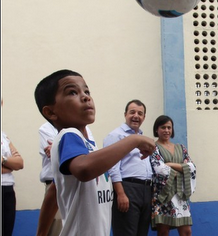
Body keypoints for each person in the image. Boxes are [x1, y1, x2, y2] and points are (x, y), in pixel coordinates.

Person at [34, 69, 155, 236]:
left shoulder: (88, 145)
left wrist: (40, 233)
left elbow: (55, 190)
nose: (86, 97)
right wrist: (134, 140)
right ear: (51, 112)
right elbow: (84, 170)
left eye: (87, 91)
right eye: (72, 92)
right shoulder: (69, 135)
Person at [103, 99, 153, 236]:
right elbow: (112, 167)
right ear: (125, 114)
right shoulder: (115, 135)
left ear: (144, 117)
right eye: (132, 112)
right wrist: (120, 193)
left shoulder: (142, 138)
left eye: (140, 113)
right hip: (127, 189)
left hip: (146, 191)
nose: (136, 116)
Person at [36, 122, 93, 236]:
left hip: (80, 186)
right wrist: (64, 148)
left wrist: (61, 146)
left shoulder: (85, 128)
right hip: (58, 185)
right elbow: (57, 154)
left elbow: (89, 154)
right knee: (58, 227)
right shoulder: (46, 128)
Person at [150, 115, 196, 236]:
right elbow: (159, 169)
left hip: (181, 195)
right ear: (156, 129)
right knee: (163, 231)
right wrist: (181, 169)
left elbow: (192, 168)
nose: (166, 130)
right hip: (163, 195)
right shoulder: (153, 148)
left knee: (186, 231)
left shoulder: (181, 148)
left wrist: (169, 164)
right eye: (163, 127)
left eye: (169, 127)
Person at [1, 98, 24, 236]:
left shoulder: (3, 135)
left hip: (7, 189)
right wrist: (9, 164)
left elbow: (20, 163)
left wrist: (3, 159)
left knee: (6, 231)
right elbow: (13, 163)